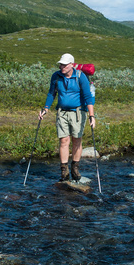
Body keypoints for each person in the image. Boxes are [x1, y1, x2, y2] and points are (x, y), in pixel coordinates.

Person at [39, 53, 96, 181]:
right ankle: (64, 171)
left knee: (77, 139)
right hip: (62, 112)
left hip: (78, 112)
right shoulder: (56, 76)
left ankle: (75, 168)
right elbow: (51, 94)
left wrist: (91, 116)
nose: (61, 66)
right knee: (64, 141)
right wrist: (46, 109)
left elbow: (88, 97)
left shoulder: (81, 77)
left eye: (64, 65)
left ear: (71, 65)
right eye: (61, 64)